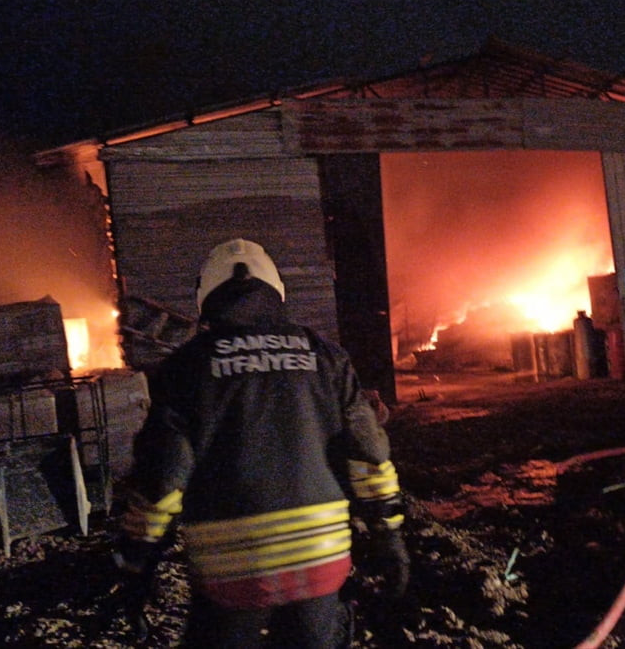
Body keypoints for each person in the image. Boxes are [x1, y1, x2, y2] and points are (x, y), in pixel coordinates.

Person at [114, 238, 409, 648]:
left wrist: (136, 561)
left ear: (207, 297)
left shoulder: (187, 367)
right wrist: (389, 536)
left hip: (231, 575)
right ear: (276, 291)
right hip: (321, 564)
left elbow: (164, 477)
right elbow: (369, 456)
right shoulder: (326, 357)